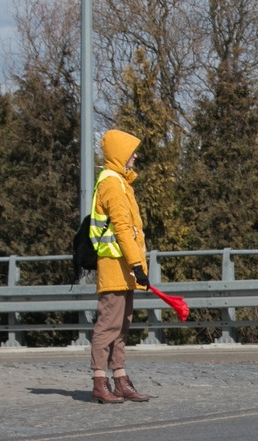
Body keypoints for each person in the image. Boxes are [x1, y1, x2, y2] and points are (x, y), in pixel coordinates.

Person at [89, 129, 151, 404]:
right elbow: (123, 229)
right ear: (118, 154)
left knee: (122, 327)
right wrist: (137, 264)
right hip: (115, 265)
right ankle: (99, 382)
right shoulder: (112, 183)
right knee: (108, 326)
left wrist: (136, 268)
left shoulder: (122, 183)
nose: (135, 156)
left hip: (124, 267)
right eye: (130, 151)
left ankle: (120, 380)